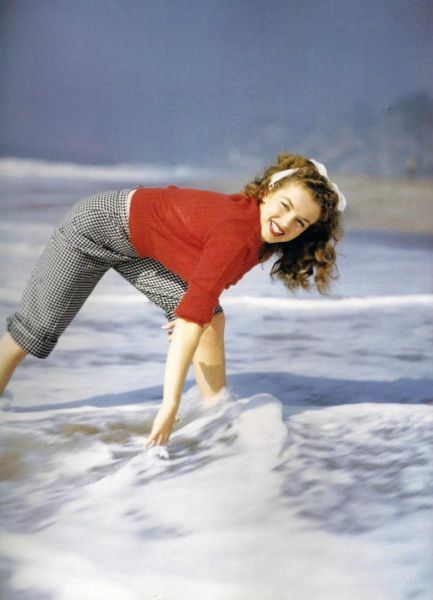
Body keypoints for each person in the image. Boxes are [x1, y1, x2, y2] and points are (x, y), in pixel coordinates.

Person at [0, 152, 346, 449]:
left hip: (139, 244)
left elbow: (202, 296)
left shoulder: (261, 234)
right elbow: (195, 314)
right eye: (284, 206)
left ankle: (218, 415)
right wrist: (170, 404)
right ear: (268, 191)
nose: (286, 223)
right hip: (96, 226)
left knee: (210, 316)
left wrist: (188, 312)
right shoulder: (237, 233)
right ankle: (218, 417)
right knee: (32, 333)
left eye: (300, 222)